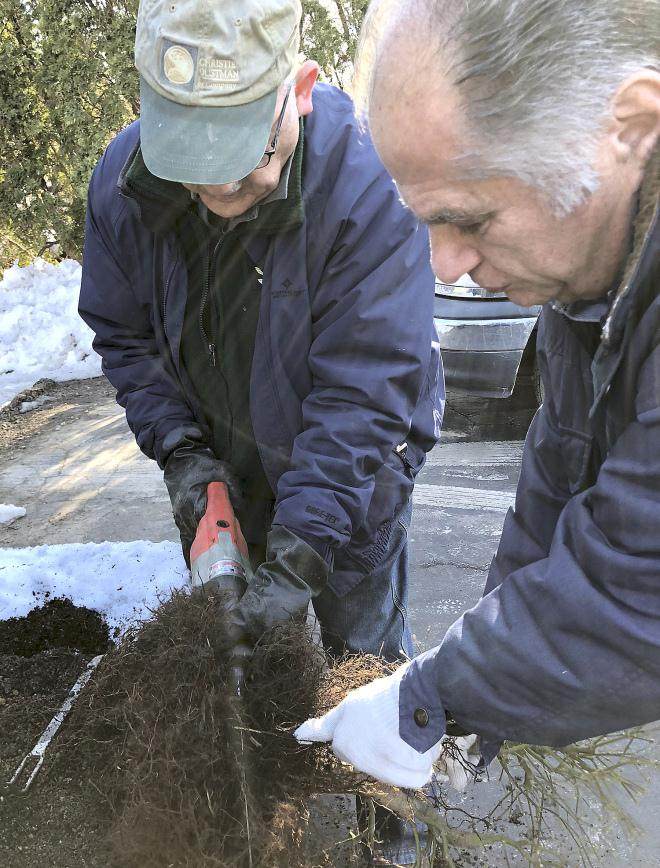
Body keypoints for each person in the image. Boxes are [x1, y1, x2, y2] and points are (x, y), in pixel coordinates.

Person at [79, 0, 444, 862]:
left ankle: (391, 819)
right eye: (195, 176)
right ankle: (254, 806)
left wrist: (306, 550)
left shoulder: (369, 187)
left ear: (301, 92)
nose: (219, 200)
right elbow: (126, 337)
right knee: (240, 652)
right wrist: (183, 455)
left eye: (245, 173)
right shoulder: (125, 187)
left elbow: (363, 398)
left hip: (354, 483)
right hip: (230, 477)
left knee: (369, 655)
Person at [296, 0, 660, 791]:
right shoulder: (584, 276)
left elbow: (640, 594)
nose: (445, 265)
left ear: (631, 123)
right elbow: (558, 493)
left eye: (470, 218)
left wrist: (433, 695)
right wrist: (476, 704)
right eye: (425, 222)